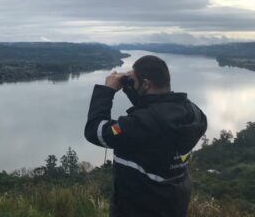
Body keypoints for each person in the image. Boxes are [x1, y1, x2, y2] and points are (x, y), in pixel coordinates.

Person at [85, 55, 207, 217]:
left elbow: (96, 131)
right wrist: (134, 85)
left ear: (146, 84)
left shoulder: (137, 126)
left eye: (134, 82)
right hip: (173, 206)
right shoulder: (192, 113)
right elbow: (154, 112)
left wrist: (107, 91)